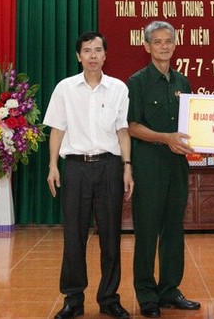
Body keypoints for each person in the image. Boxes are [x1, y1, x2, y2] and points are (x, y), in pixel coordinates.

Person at [44, 32, 133, 319]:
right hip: (75, 167)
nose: (93, 56)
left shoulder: (118, 88)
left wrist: (127, 166)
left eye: (98, 50)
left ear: (106, 55)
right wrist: (52, 166)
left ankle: (109, 298)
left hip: (109, 166)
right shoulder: (65, 88)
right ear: (78, 56)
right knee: (74, 235)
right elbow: (57, 128)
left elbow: (123, 131)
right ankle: (73, 299)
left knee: (110, 236)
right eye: (87, 51)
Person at [126, 20, 200, 318]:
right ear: (147, 46)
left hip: (176, 166)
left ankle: (170, 290)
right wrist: (164, 138)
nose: (163, 46)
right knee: (147, 231)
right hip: (148, 164)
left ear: (174, 44)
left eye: (168, 40)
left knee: (173, 230)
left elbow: (192, 125)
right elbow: (131, 126)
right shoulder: (137, 82)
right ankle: (147, 294)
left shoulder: (183, 83)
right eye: (157, 42)